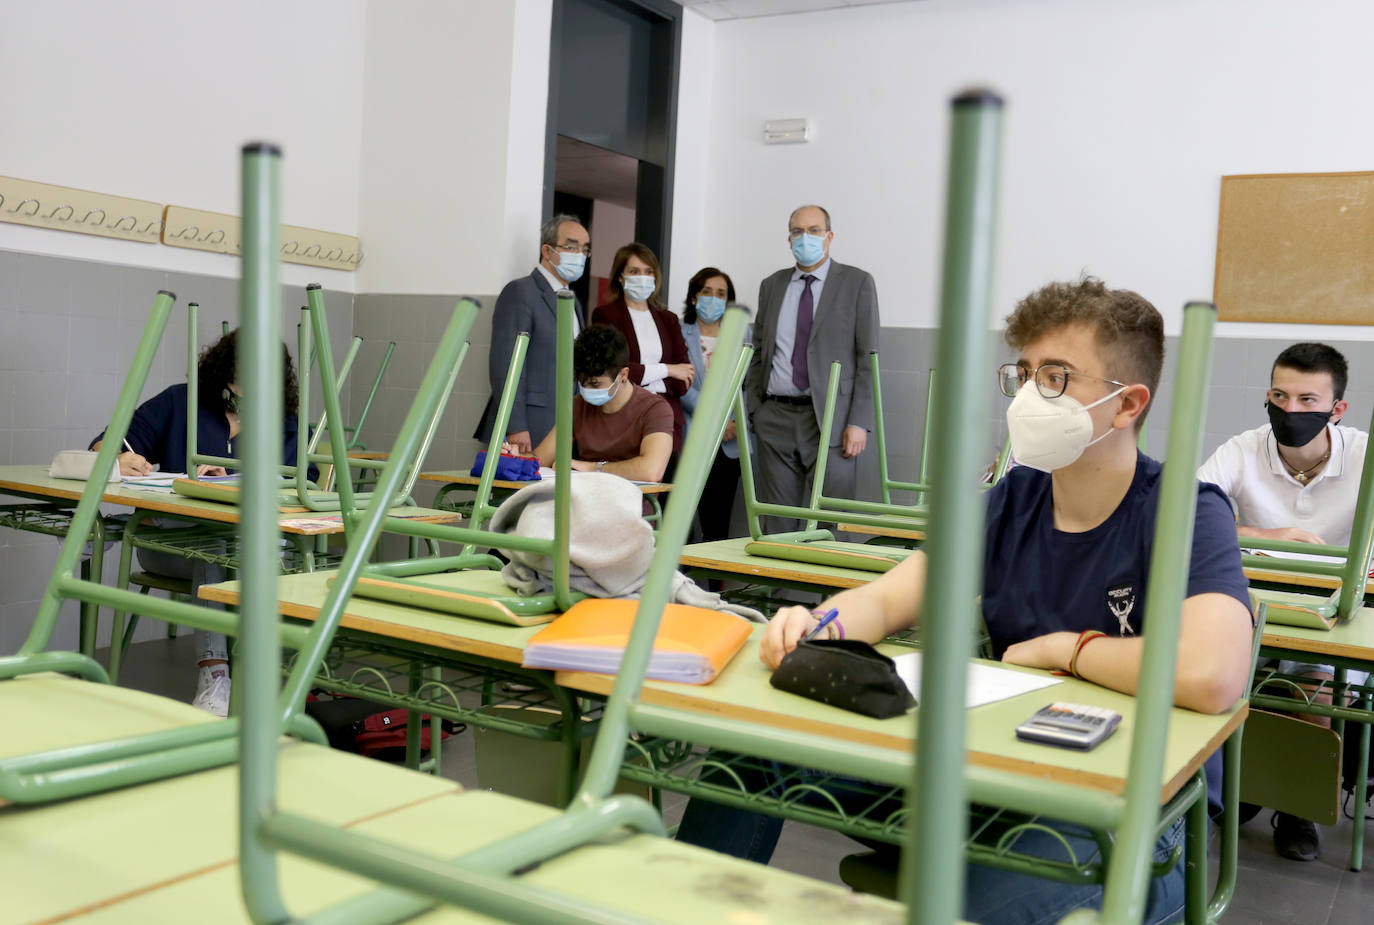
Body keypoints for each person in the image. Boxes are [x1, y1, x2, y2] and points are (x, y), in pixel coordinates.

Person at [678, 277, 1255, 925]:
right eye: (1027, 374)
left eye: (1058, 377)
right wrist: (815, 623)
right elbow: (892, 596)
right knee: (751, 752)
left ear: (1128, 405)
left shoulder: (1185, 510)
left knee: (970, 908)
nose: (1033, 395)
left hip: (1137, 808)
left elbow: (1212, 673)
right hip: (999, 775)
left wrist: (1070, 649)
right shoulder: (1013, 500)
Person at [1198, 341, 1369, 862]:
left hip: (1339, 610)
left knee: (1313, 686)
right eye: (1280, 395)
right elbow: (1187, 506)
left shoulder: (1364, 453)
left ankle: (1297, 807)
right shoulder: (1245, 447)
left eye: (1307, 400)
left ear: (1337, 409)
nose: (1290, 410)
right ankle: (1241, 784)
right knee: (1222, 673)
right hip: (1255, 597)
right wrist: (1268, 533)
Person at [91, 330, 306, 717]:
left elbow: (304, 492)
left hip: (255, 550)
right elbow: (107, 444)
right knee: (212, 545)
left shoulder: (289, 424)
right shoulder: (180, 402)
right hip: (169, 548)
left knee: (226, 546)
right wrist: (118, 459)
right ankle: (215, 675)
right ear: (226, 364)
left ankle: (117, 527)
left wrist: (238, 481)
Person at [744, 204, 880, 533]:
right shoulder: (772, 285)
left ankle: (832, 587)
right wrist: (755, 410)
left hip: (833, 420)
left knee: (834, 520)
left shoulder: (857, 283)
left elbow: (867, 357)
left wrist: (858, 421)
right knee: (777, 521)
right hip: (774, 417)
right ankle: (775, 585)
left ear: (829, 237)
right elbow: (760, 349)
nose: (805, 238)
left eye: (814, 231)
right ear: (789, 238)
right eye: (797, 231)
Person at [474, 214, 591, 455]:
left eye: (584, 249)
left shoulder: (573, 301)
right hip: (528, 425)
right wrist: (515, 425)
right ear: (547, 251)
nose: (579, 255)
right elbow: (506, 363)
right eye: (571, 246)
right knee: (518, 493)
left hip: (563, 426)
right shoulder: (521, 292)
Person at [531, 324, 673, 483]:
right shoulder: (578, 406)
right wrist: (511, 457)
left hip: (631, 502)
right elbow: (539, 460)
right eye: (581, 383)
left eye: (595, 384)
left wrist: (593, 468)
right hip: (583, 500)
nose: (586, 390)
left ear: (623, 374)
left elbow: (651, 471)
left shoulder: (655, 410)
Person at [590, 243, 694, 455]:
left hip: (667, 419)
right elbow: (614, 371)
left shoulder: (669, 319)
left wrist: (642, 372)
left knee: (664, 486)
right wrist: (668, 370)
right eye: (634, 271)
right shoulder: (606, 315)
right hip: (624, 416)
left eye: (648, 272)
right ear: (620, 276)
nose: (642, 277)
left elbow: (683, 380)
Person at [680, 266, 750, 542]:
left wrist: (732, 424)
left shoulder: (742, 337)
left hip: (729, 443)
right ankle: (676, 581)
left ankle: (714, 586)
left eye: (721, 294)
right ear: (694, 297)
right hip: (690, 436)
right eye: (707, 291)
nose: (714, 298)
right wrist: (716, 421)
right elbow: (679, 386)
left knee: (718, 526)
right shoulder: (678, 332)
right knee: (682, 523)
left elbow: (747, 386)